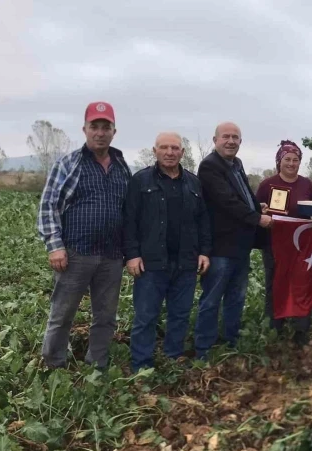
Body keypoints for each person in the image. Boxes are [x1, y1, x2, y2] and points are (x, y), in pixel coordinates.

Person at [37, 102, 131, 369]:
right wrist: (55, 246)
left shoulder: (122, 166)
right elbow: (48, 206)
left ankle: (96, 364)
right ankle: (54, 364)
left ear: (114, 131)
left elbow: (129, 209)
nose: (100, 133)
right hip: (76, 254)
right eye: (94, 127)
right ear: (85, 129)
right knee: (62, 313)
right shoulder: (68, 163)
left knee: (106, 316)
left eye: (106, 127)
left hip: (112, 256)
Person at [123, 132, 212, 372]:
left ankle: (173, 358)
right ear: (155, 151)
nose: (170, 152)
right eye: (164, 147)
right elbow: (129, 221)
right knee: (146, 317)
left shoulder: (193, 183)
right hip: (151, 264)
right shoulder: (140, 181)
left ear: (182, 153)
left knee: (180, 315)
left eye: (175, 148)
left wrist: (204, 251)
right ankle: (141, 366)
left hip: (185, 262)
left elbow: (202, 221)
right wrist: (132, 254)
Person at [195, 122, 271, 358]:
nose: (231, 141)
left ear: (240, 142)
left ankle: (231, 341)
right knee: (212, 299)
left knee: (236, 298)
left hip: (240, 246)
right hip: (220, 246)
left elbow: (242, 194)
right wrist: (257, 218)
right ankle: (204, 349)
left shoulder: (236, 164)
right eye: (226, 137)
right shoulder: (209, 167)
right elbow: (226, 201)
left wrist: (255, 205)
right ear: (215, 140)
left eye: (235, 137)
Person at [255, 140, 312, 347]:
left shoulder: (307, 184)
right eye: (287, 159)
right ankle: (275, 328)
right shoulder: (267, 185)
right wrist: (262, 210)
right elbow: (256, 210)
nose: (292, 163)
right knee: (275, 284)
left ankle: (301, 329)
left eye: (296, 160)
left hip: (302, 245)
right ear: (279, 161)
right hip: (274, 244)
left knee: (301, 285)